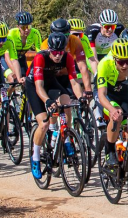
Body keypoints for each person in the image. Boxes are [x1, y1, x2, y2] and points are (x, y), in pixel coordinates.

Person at [26, 32, 85, 180]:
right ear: (49, 50)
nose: (58, 56)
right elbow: (39, 87)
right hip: (34, 84)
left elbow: (73, 81)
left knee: (66, 101)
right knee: (44, 123)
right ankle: (35, 157)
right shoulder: (41, 57)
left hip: (50, 81)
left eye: (61, 52)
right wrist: (47, 100)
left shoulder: (67, 57)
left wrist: (81, 98)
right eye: (54, 52)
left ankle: (64, 138)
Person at [96, 39, 128, 167]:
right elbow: (101, 95)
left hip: (122, 93)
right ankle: (109, 151)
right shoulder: (105, 64)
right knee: (117, 115)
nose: (125, 65)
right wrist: (112, 110)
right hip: (106, 94)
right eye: (121, 62)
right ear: (114, 58)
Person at [40, 18, 93, 108]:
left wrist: (88, 89)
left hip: (67, 74)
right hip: (52, 76)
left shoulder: (75, 41)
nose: (64, 39)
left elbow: (83, 67)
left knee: (70, 101)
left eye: (67, 35)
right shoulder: (46, 44)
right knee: (55, 105)